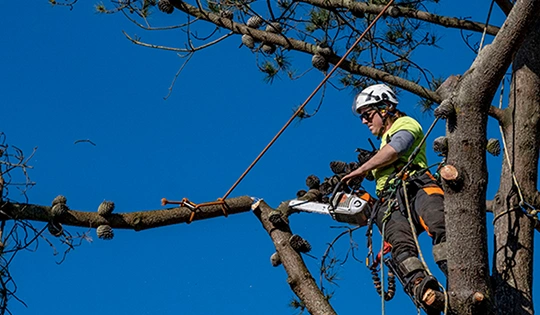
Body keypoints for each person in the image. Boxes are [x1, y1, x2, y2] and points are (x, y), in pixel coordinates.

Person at [341, 84, 447, 314]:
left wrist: (361, 170)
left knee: (439, 222)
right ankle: (423, 289)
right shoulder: (381, 145)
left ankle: (458, 269)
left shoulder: (406, 124)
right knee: (400, 246)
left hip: (416, 186)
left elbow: (397, 149)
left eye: (367, 115)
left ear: (385, 108)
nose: (364, 121)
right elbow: (383, 155)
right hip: (390, 202)